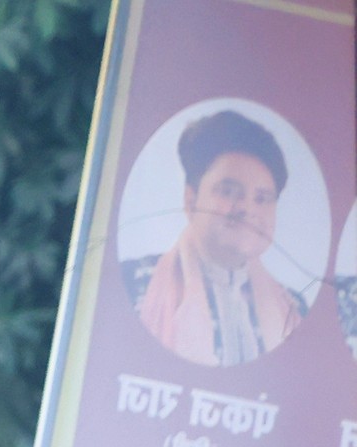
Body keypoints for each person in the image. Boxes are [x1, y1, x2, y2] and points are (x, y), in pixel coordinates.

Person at [127, 107, 306, 367]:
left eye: (262, 198)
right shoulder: (136, 285)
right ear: (191, 199)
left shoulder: (293, 308)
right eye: (228, 191)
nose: (247, 209)